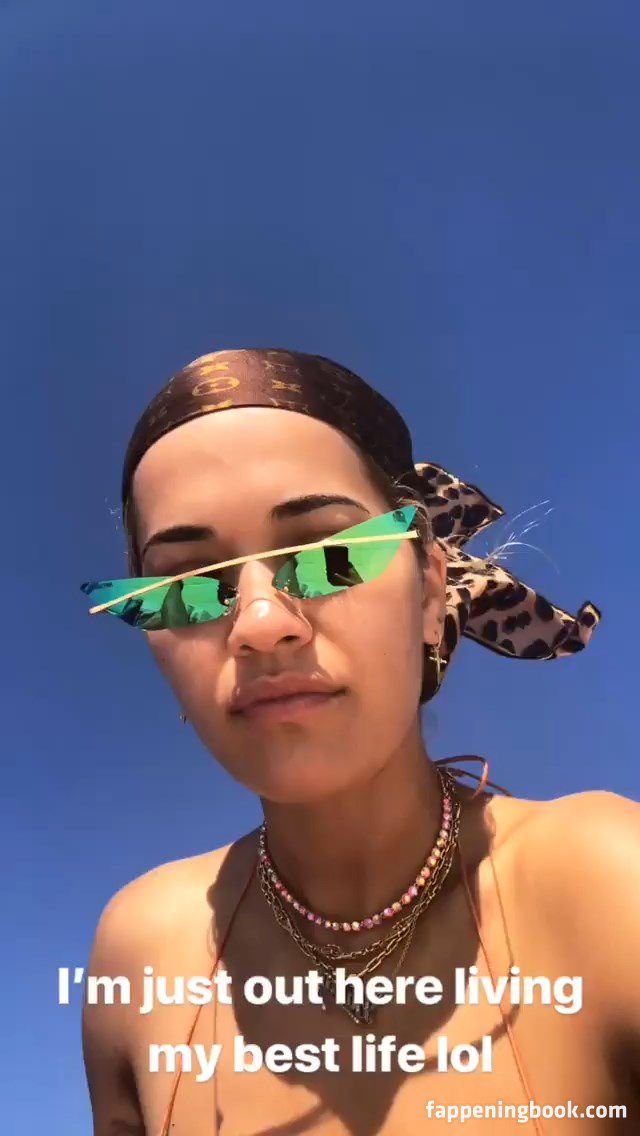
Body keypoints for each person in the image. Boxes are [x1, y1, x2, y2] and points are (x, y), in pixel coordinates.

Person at [81, 348, 639, 1136]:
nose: (260, 624)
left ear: (430, 590)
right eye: (190, 586)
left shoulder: (608, 885)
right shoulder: (140, 956)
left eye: (330, 555)